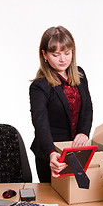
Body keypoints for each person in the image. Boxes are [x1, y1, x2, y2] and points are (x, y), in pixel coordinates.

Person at [29, 26, 93, 183]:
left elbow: (87, 109)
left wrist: (84, 132)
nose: (63, 59)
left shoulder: (80, 75)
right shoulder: (39, 86)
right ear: (44, 54)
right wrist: (51, 152)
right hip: (52, 155)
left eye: (67, 53)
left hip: (76, 152)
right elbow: (40, 122)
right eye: (55, 54)